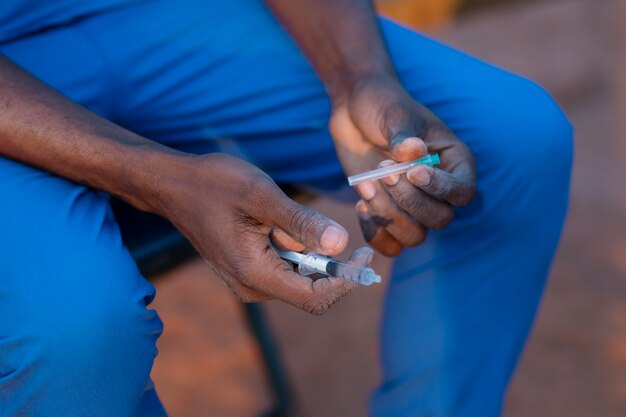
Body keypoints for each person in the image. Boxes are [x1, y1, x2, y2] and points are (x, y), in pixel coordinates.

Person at [0, 0, 573, 416]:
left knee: (513, 139)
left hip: (158, 16)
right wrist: (152, 176)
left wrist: (358, 75)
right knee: (76, 337)